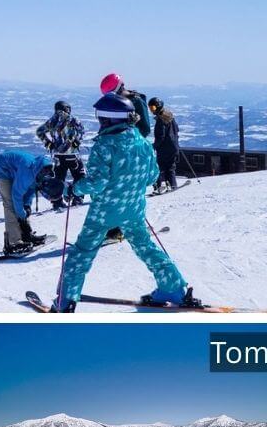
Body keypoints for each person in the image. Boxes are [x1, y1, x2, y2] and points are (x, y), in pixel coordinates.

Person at [51, 91, 199, 312]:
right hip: (133, 208)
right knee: (145, 246)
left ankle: (66, 300)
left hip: (104, 210)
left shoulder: (104, 145)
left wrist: (74, 188)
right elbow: (152, 176)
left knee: (82, 252)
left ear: (107, 119)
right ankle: (174, 288)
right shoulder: (142, 142)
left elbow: (97, 183)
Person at [99, 73, 151, 241]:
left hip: (132, 151)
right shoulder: (120, 103)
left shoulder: (136, 102)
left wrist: (129, 129)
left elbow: (145, 129)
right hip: (120, 150)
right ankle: (116, 228)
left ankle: (122, 228)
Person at [0, 150, 65, 256]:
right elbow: (17, 195)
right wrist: (21, 214)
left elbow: (30, 190)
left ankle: (25, 235)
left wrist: (27, 206)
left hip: (14, 169)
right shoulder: (28, 174)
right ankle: (14, 243)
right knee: (10, 204)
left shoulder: (42, 174)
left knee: (22, 208)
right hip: (1, 169)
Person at [35, 100, 86, 209]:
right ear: (67, 108)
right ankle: (78, 198)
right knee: (79, 176)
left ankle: (57, 202)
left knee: (58, 179)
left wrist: (48, 144)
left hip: (58, 156)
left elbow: (39, 131)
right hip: (72, 154)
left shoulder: (52, 121)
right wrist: (77, 141)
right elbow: (81, 130)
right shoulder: (72, 119)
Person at [149, 97, 180, 193]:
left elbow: (160, 137)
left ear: (158, 106)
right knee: (170, 167)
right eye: (150, 108)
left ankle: (159, 187)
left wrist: (153, 146)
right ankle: (172, 185)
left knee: (159, 167)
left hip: (165, 148)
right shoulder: (170, 116)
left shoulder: (161, 120)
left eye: (153, 108)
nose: (152, 110)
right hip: (174, 146)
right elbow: (176, 129)